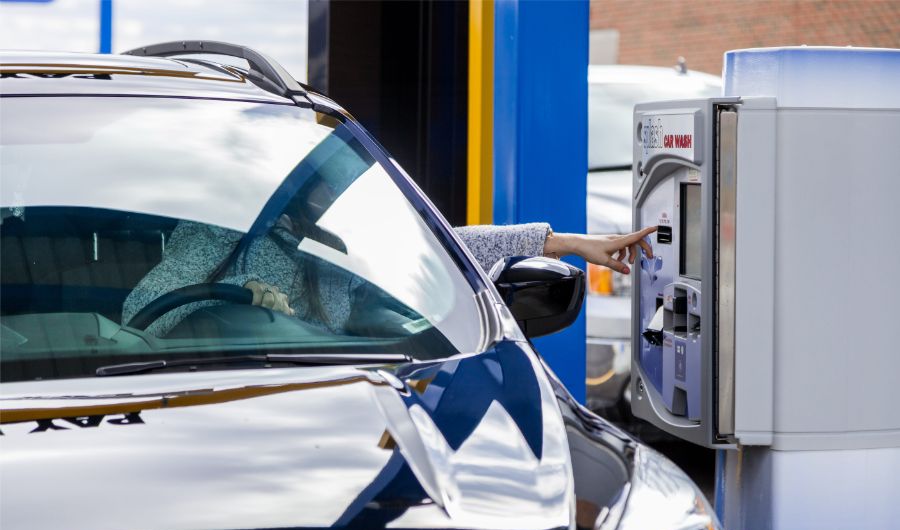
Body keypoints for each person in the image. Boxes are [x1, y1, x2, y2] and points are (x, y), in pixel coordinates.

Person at [122, 214, 655, 338]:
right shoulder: (224, 233)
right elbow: (141, 313)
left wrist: (567, 243)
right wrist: (238, 302)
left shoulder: (334, 249)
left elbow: (437, 250)